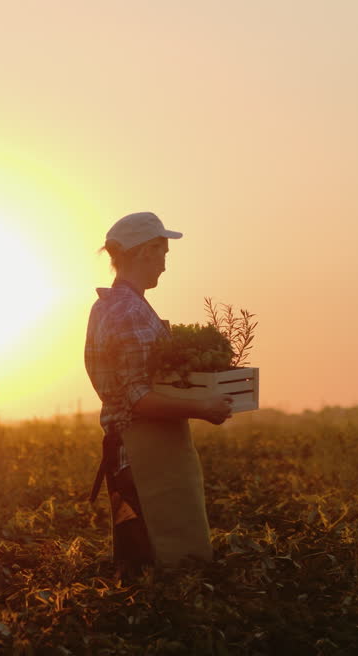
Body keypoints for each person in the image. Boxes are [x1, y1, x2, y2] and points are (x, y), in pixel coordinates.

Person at [84, 211, 233, 576]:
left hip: (130, 449)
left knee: (139, 560)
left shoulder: (107, 306)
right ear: (145, 251)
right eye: (163, 253)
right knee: (165, 563)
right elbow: (137, 397)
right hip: (142, 453)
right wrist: (203, 406)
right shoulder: (130, 312)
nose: (165, 266)